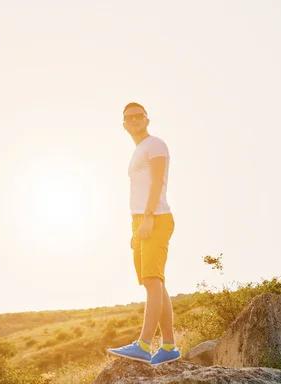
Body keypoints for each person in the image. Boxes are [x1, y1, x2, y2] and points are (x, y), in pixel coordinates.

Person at [107, 102, 181, 366]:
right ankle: (169, 346)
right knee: (155, 282)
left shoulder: (155, 144)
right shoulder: (138, 150)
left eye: (139, 116)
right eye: (129, 117)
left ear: (147, 120)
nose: (134, 120)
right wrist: (136, 227)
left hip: (156, 217)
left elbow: (158, 180)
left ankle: (144, 344)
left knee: (152, 280)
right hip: (141, 220)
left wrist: (148, 217)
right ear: (124, 124)